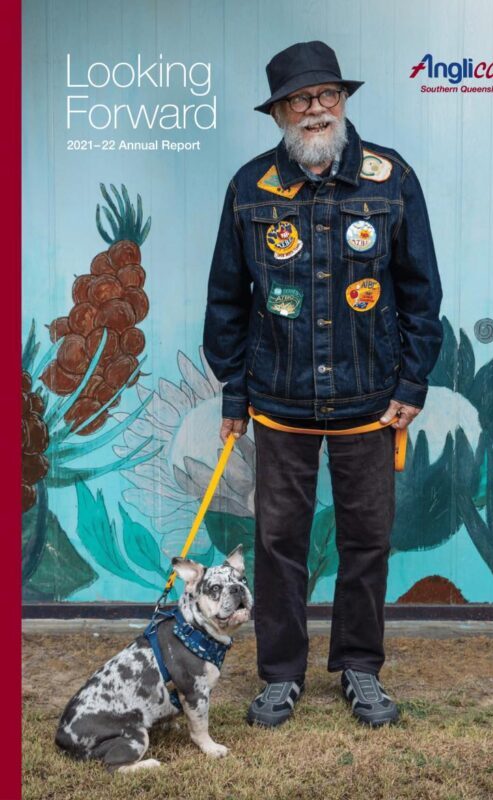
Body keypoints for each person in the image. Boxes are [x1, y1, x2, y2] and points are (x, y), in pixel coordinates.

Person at [203, 40, 443, 728]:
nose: (315, 110)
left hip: (372, 402)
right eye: (299, 100)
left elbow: (419, 291)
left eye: (326, 96)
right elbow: (227, 300)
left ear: (342, 101)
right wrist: (234, 393)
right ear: (278, 111)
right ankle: (280, 676)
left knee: (366, 540)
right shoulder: (251, 187)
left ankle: (360, 669)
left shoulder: (389, 178)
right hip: (279, 402)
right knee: (279, 544)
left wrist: (412, 381)